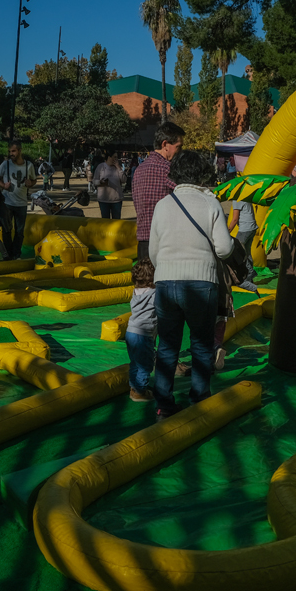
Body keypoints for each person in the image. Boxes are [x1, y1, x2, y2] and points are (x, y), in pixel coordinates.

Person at [149, 150, 235, 421]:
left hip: (165, 281)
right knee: (200, 344)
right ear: (202, 174)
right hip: (201, 282)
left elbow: (153, 251)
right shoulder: (210, 203)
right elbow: (224, 248)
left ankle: (163, 404)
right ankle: (199, 400)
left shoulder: (163, 204)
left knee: (167, 345)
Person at [133, 121, 186, 261]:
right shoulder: (167, 169)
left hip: (143, 239)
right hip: (164, 242)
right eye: (178, 147)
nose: (179, 151)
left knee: (146, 282)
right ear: (165, 145)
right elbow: (190, 196)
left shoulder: (139, 170)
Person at [0, 140, 37, 261]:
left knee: (19, 231)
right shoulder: (5, 164)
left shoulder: (28, 165)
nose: (11, 153)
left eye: (13, 151)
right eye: (9, 151)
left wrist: (31, 183)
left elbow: (34, 180)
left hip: (22, 203)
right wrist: (3, 185)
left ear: (20, 151)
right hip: (7, 202)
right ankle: (8, 254)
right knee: (7, 230)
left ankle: (16, 254)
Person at [126, 258, 157, 402]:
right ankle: (140, 391)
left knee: (135, 362)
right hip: (144, 334)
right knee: (146, 364)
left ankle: (134, 387)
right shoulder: (153, 293)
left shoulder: (136, 291)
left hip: (130, 331)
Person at [227, 198, 258, 283]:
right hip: (252, 227)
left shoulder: (237, 200)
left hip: (245, 229)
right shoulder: (244, 197)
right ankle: (249, 278)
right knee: (247, 252)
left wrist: (227, 231)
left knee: (238, 251)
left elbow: (235, 219)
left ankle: (250, 272)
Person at [93, 150, 124, 219]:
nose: (116, 159)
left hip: (116, 199)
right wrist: (101, 182)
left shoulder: (118, 168)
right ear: (109, 157)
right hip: (104, 200)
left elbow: (124, 180)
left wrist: (119, 168)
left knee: (116, 222)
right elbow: (94, 182)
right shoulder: (100, 167)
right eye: (114, 157)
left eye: (117, 158)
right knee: (105, 221)